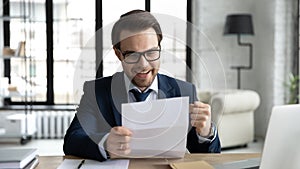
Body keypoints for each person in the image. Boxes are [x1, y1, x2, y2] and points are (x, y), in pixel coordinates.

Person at [63, 9, 221, 162]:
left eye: (152, 52)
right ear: (119, 54)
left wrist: (206, 132)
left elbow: (205, 156)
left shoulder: (185, 91)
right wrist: (105, 144)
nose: (143, 65)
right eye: (132, 54)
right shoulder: (96, 92)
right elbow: (72, 140)